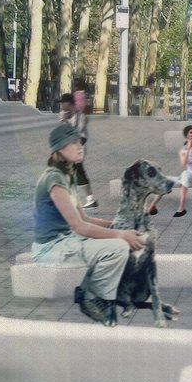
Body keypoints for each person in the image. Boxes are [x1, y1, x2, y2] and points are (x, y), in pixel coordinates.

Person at [31, 122, 144, 325]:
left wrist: (115, 225)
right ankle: (89, 297)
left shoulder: (68, 175)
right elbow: (79, 227)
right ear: (58, 149)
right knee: (117, 247)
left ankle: (102, 293)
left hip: (67, 242)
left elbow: (84, 218)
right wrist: (120, 235)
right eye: (73, 143)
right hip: (51, 248)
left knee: (126, 242)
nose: (80, 146)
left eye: (80, 142)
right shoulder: (53, 178)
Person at [59, 94, 97, 209]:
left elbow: (77, 132)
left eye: (63, 103)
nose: (61, 106)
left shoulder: (80, 116)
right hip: (69, 147)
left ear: (69, 104)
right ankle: (89, 199)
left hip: (78, 147)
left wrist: (65, 121)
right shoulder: (64, 114)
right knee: (77, 173)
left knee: (69, 172)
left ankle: (71, 200)